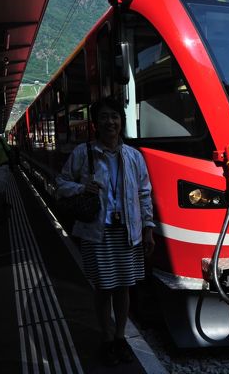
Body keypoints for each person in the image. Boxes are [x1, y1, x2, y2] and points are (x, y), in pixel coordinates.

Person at [56, 96, 155, 366]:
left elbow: (144, 194)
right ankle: (107, 338)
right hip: (97, 232)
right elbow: (61, 182)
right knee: (103, 288)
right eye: (104, 117)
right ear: (95, 124)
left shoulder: (134, 156)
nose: (110, 121)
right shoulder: (83, 153)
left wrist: (148, 228)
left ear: (121, 122)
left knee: (123, 288)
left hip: (127, 232)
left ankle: (120, 337)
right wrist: (80, 188)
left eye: (115, 116)